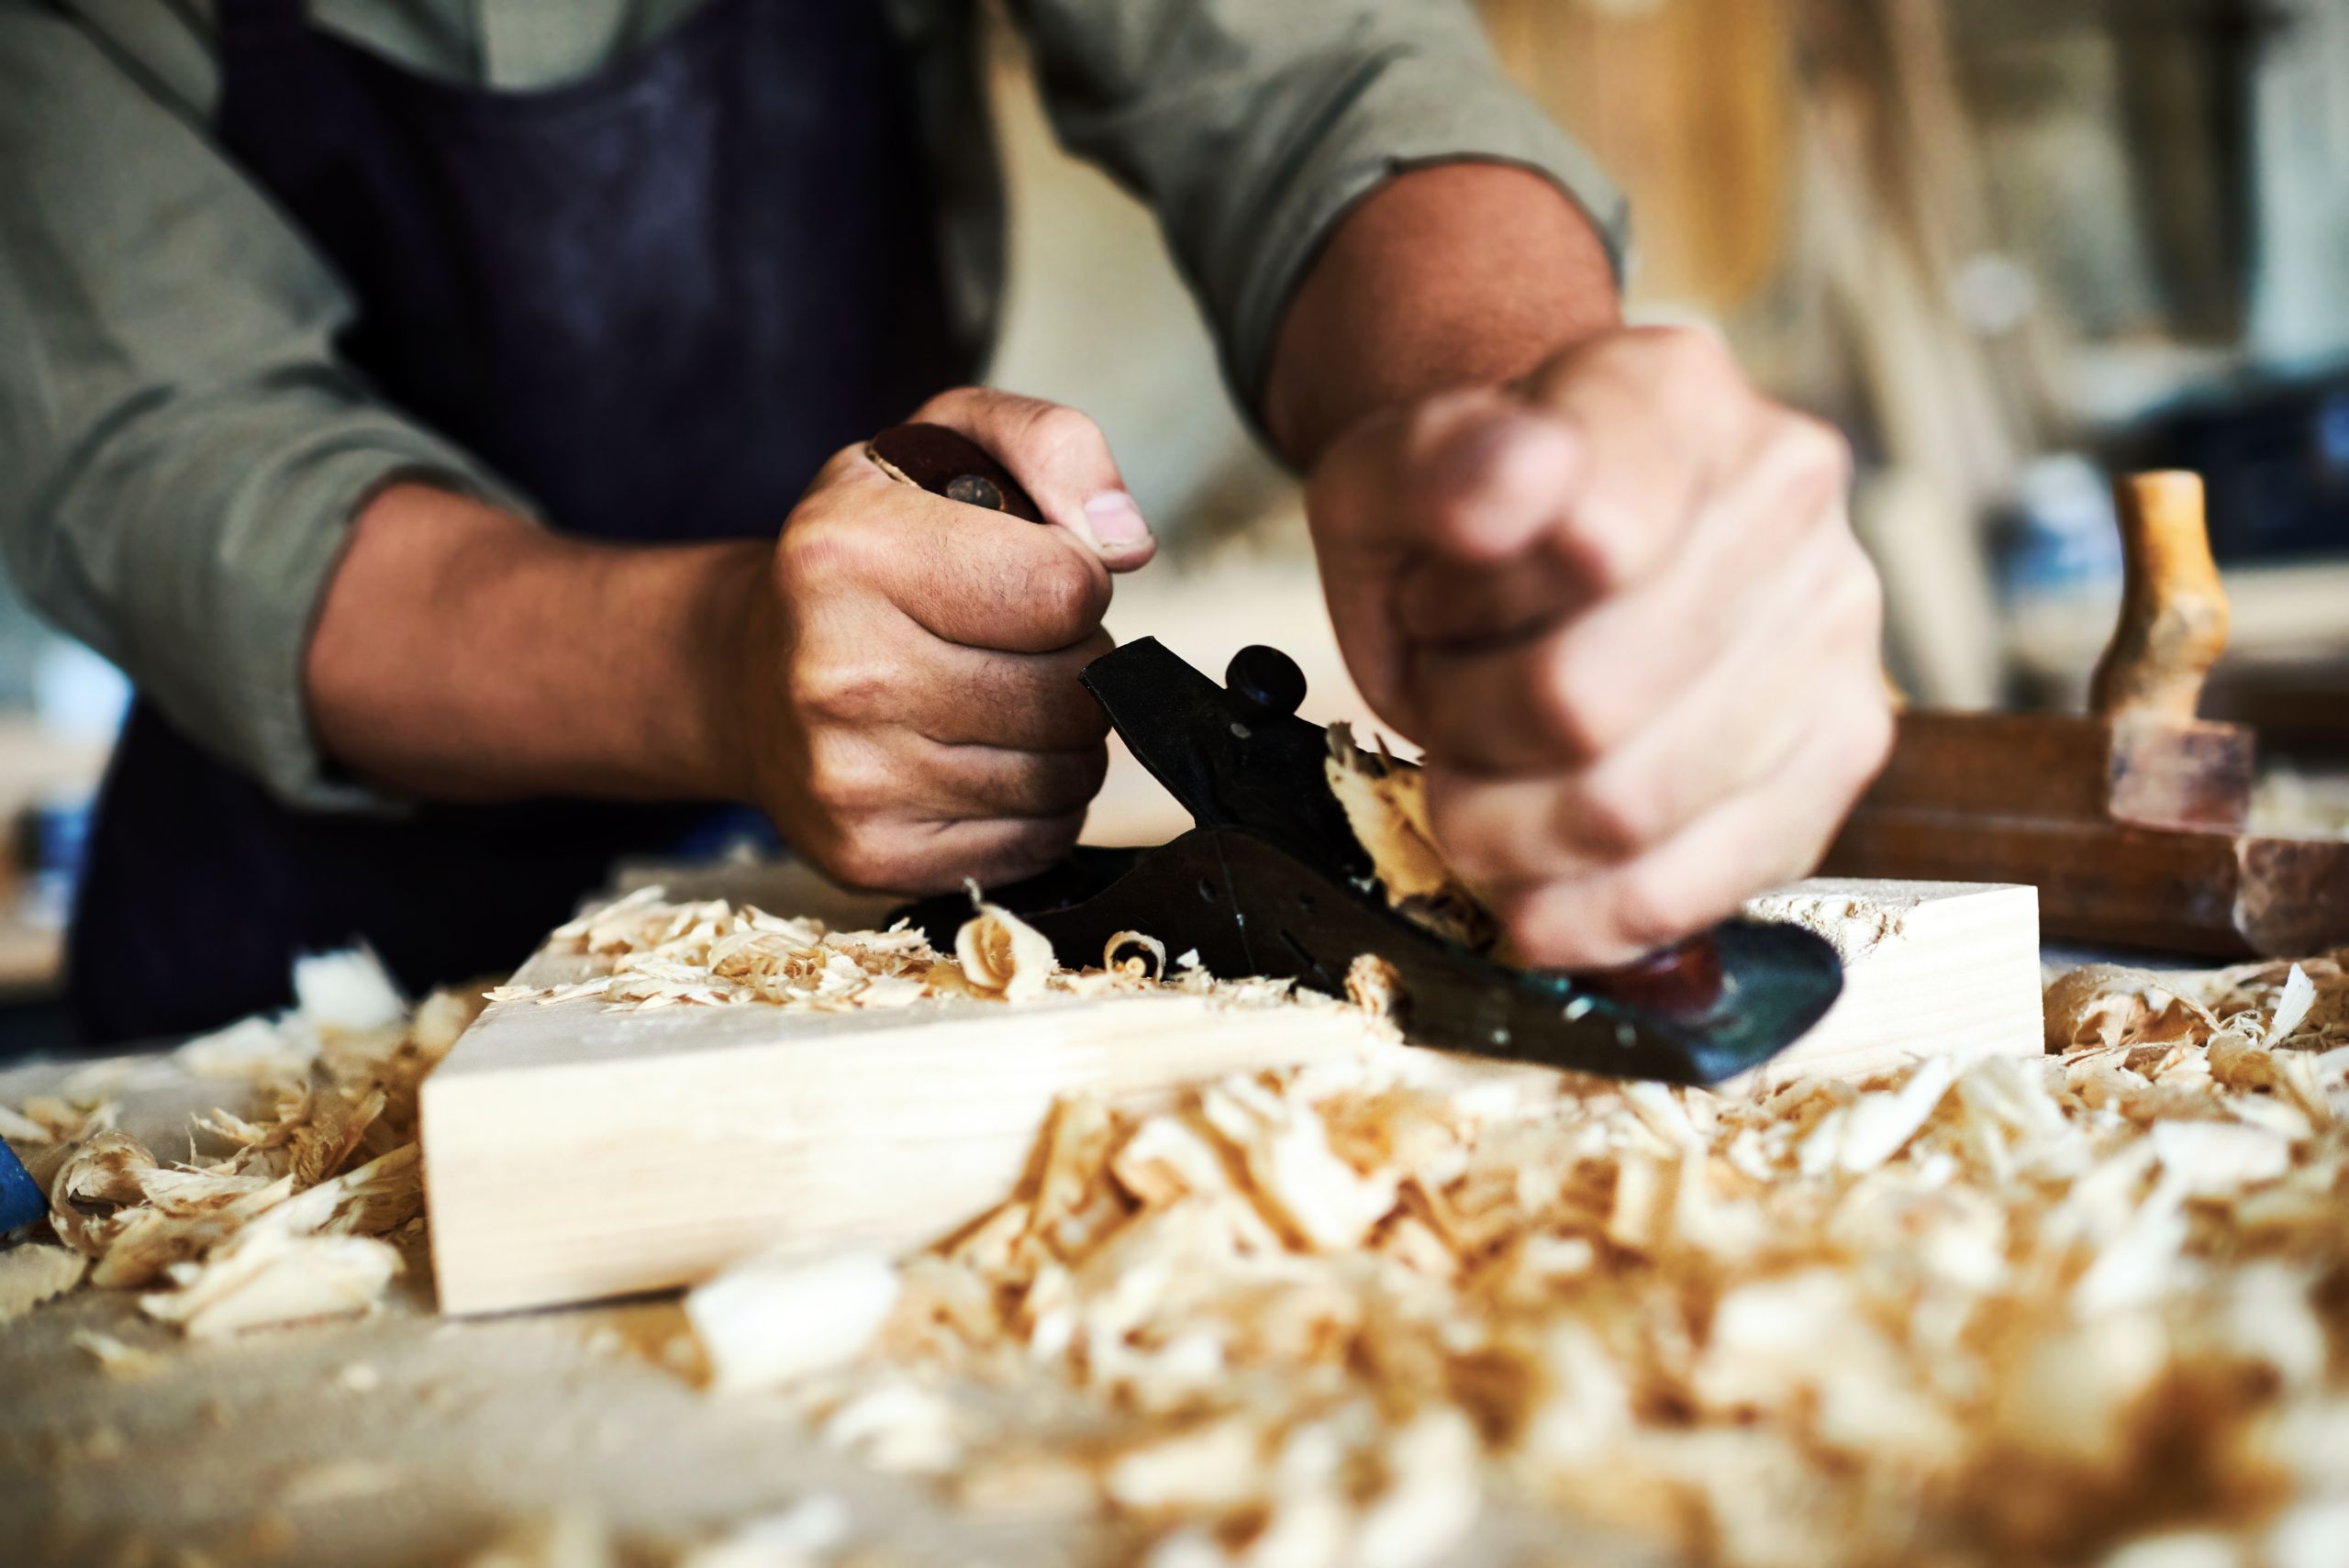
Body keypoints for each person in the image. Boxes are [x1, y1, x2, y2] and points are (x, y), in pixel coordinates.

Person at [0, 0, 1890, 1044]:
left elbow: (1319, 75)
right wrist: (717, 659)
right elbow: (191, 466)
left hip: (912, 917)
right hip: (326, 983)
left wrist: (1518, 445)